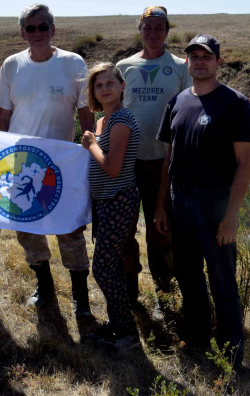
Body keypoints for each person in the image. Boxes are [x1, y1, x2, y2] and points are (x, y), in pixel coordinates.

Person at [154, 34, 250, 369]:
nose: (199, 62)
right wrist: (160, 205)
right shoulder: (178, 101)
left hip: (215, 205)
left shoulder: (235, 103)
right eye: (194, 56)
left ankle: (231, 354)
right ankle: (197, 336)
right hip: (180, 201)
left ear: (218, 63)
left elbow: (244, 164)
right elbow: (169, 157)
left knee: (223, 281)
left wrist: (232, 217)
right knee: (187, 273)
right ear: (187, 62)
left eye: (206, 56)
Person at [0, 4, 95, 318]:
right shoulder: (12, 65)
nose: (38, 33)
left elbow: (85, 113)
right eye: (31, 28)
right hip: (21, 163)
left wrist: (87, 156)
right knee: (28, 230)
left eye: (43, 27)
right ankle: (44, 286)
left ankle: (80, 296)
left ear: (53, 30)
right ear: (23, 32)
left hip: (62, 165)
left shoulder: (73, 63)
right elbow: (3, 117)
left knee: (70, 229)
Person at [116, 6, 191, 318]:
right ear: (139, 30)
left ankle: (164, 295)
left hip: (164, 162)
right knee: (124, 228)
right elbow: (112, 109)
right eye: (147, 27)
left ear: (167, 32)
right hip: (128, 161)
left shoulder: (179, 66)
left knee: (160, 230)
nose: (153, 33)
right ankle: (129, 292)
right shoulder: (124, 66)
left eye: (159, 27)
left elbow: (189, 107)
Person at [81, 63, 140, 348]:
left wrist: (91, 144)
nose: (104, 89)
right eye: (98, 85)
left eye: (109, 83)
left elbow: (113, 168)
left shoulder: (120, 120)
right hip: (105, 203)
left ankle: (127, 333)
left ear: (121, 86)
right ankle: (117, 325)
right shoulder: (103, 121)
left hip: (118, 201)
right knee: (112, 265)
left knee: (103, 268)